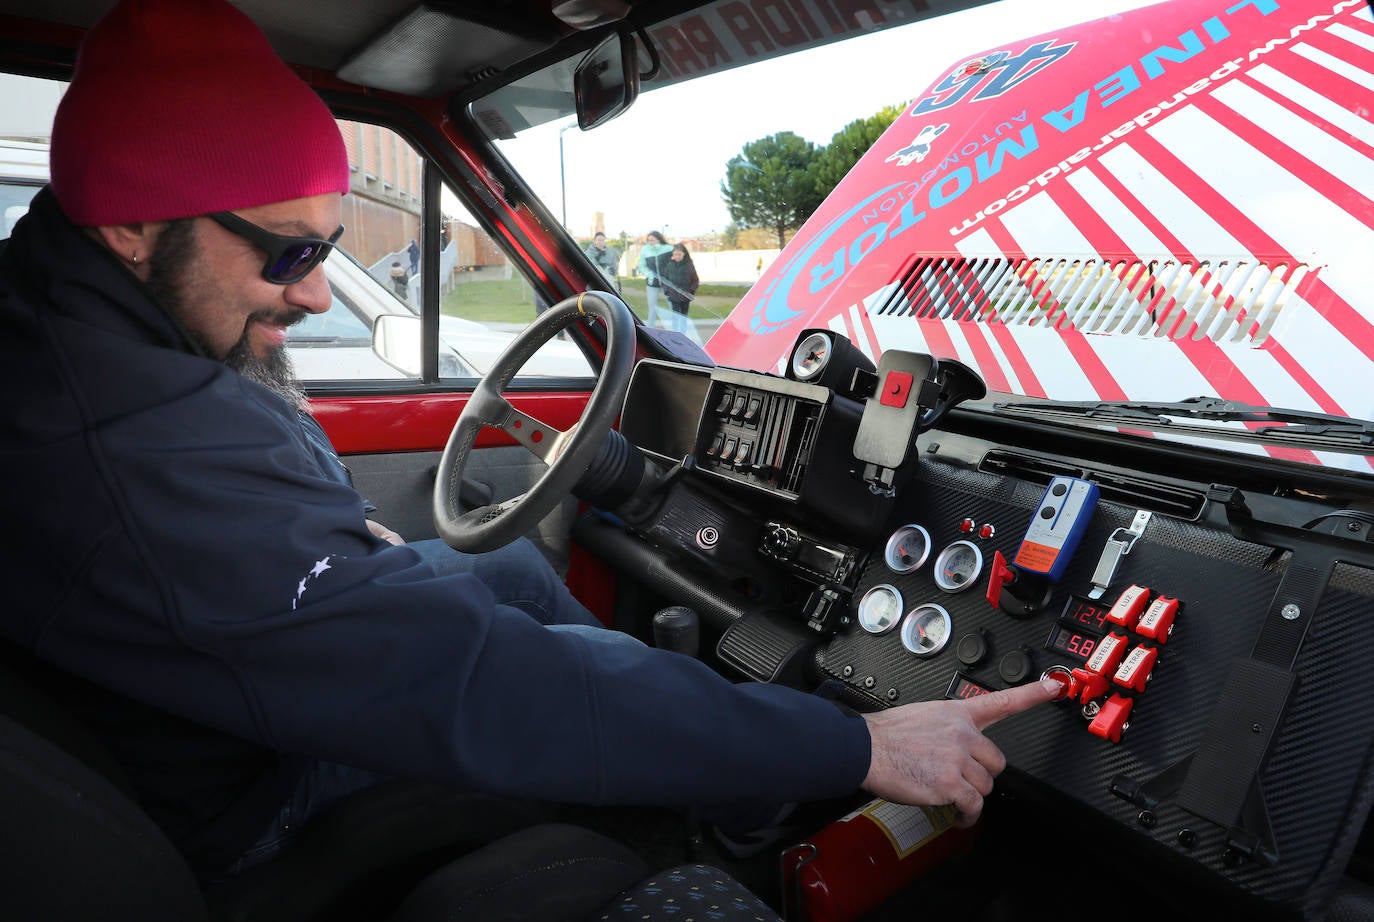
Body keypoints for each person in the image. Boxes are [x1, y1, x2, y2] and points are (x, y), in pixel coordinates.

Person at [0, 0, 1058, 883]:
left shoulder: (69, 333)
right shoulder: (131, 444)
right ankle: (721, 832)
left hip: (185, 718)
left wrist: (333, 545)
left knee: (503, 565)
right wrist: (857, 739)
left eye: (325, 245)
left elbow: (260, 550)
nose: (318, 290)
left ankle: (730, 763)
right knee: (537, 668)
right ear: (133, 225)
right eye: (287, 253)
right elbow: (470, 682)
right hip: (253, 799)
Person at [657, 242, 700, 341]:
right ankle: (676, 335)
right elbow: (664, 280)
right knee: (675, 316)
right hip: (673, 296)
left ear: (684, 254)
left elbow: (695, 280)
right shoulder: (669, 265)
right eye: (675, 254)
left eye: (679, 254)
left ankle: (683, 335)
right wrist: (667, 292)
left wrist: (690, 292)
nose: (677, 256)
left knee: (683, 317)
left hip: (685, 296)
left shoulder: (689, 265)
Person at [636, 230, 673, 329]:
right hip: (652, 283)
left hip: (667, 283)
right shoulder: (645, 249)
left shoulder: (669, 249)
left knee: (673, 306)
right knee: (652, 308)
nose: (650, 242)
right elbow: (641, 265)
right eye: (648, 240)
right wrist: (649, 274)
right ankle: (650, 329)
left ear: (659, 239)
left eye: (652, 240)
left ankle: (678, 327)